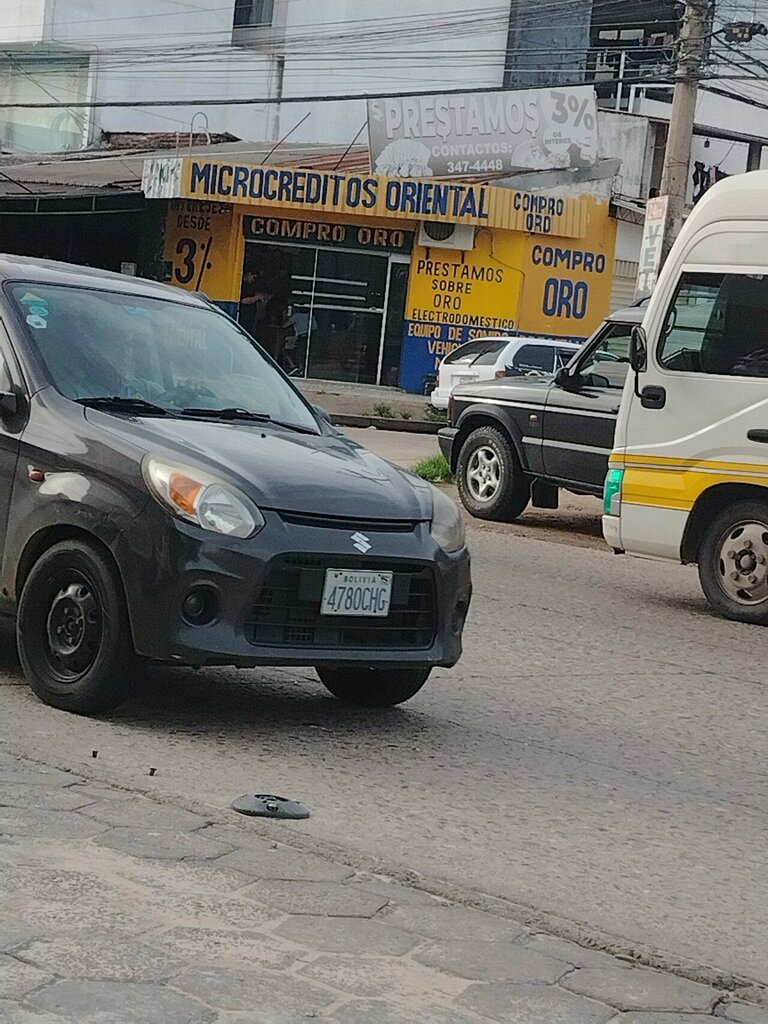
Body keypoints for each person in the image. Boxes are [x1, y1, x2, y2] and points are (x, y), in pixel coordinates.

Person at [238, 267, 271, 335]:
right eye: (253, 277)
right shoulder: (240, 285)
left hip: (250, 317)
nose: (253, 280)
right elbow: (243, 300)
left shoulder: (250, 286)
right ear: (249, 274)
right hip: (244, 316)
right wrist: (256, 297)